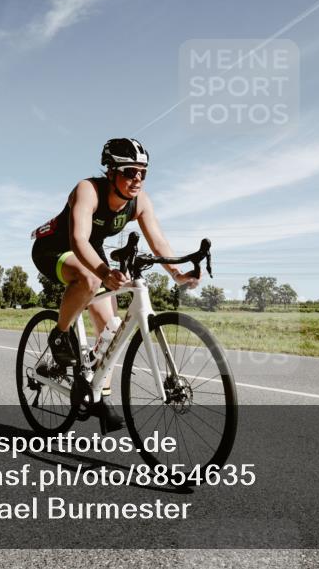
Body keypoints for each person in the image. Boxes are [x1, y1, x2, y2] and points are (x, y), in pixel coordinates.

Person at [31, 138, 202, 431]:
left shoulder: (140, 202)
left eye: (142, 173)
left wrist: (176, 273)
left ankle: (99, 397)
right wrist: (103, 270)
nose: (137, 179)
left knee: (109, 329)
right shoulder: (88, 190)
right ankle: (59, 335)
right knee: (90, 277)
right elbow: (78, 240)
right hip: (53, 249)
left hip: (90, 255)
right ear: (111, 171)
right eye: (129, 172)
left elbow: (157, 240)